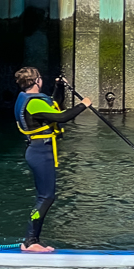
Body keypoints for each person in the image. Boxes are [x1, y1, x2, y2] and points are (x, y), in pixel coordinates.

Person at [13, 67, 92, 253]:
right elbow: (62, 116)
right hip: (40, 152)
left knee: (45, 197)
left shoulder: (28, 99)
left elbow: (54, 104)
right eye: (40, 77)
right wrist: (83, 105)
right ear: (36, 81)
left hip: (41, 150)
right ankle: (30, 241)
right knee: (46, 197)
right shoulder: (33, 104)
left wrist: (60, 87)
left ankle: (31, 240)